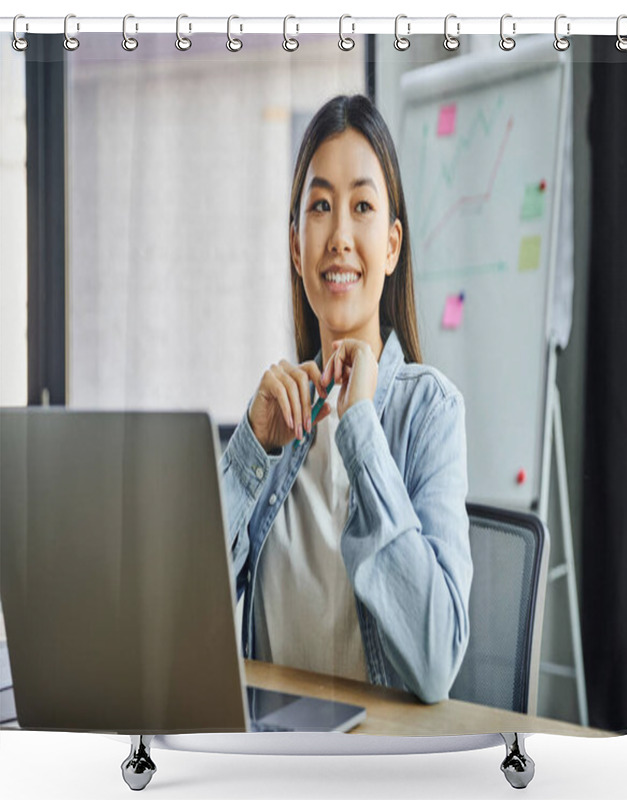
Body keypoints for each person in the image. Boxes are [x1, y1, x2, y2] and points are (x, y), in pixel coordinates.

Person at [220, 94, 472, 705]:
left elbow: (436, 662)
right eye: (321, 207)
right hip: (271, 759)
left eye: (361, 206)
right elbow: (178, 623)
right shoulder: (276, 414)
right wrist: (248, 452)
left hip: (377, 765)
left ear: (390, 246)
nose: (338, 236)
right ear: (294, 244)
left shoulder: (430, 412)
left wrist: (360, 425)